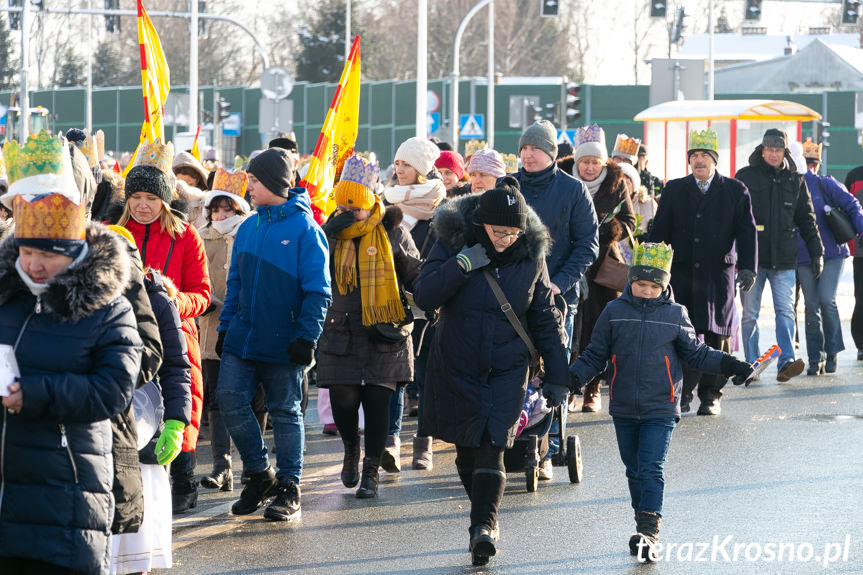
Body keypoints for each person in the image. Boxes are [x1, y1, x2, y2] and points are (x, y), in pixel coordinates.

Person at [0, 131, 142, 574]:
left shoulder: (109, 307)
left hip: (67, 490)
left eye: (47, 254)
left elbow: (115, 388)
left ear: (74, 252)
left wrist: (34, 393)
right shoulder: (7, 294)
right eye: (25, 252)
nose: (34, 264)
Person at [413, 177, 570, 567]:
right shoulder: (451, 241)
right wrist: (460, 266)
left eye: (514, 232)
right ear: (481, 224)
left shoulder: (531, 257)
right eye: (499, 231)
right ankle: (482, 519)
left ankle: (483, 526)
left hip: (507, 366)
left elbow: (546, 316)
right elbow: (425, 294)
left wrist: (558, 374)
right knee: (467, 451)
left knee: (493, 444)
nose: (506, 238)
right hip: (457, 361)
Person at [568, 242, 753, 563]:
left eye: (655, 286)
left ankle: (649, 531)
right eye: (641, 285)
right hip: (624, 405)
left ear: (664, 285)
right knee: (634, 470)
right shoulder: (614, 312)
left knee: (651, 467)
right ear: (631, 281)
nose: (648, 291)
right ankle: (642, 520)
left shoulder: (675, 314)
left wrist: (730, 364)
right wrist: (569, 380)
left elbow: (697, 353)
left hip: (661, 406)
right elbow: (595, 355)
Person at [216, 147, 331, 521]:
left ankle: (289, 485)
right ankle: (260, 473)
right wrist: (225, 326)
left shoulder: (305, 229)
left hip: (286, 339)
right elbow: (234, 283)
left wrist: (307, 336)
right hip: (242, 336)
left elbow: (318, 290)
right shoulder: (248, 226)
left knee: (285, 411)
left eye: (254, 180)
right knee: (230, 398)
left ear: (275, 183)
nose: (248, 186)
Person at [317, 155, 422, 498]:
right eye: (344, 206)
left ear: (371, 200)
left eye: (357, 206)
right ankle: (351, 448)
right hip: (340, 330)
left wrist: (437, 296)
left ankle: (371, 471)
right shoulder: (329, 234)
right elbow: (311, 273)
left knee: (378, 403)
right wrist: (324, 237)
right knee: (343, 400)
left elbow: (416, 273)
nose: (351, 213)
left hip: (384, 331)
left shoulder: (392, 230)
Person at [120, 139, 212, 513]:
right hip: (125, 336)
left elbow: (203, 293)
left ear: (164, 199)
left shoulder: (185, 236)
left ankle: (185, 477)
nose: (143, 205)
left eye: (152, 198)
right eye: (137, 196)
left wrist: (175, 301)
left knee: (179, 409)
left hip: (176, 336)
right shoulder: (114, 233)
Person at [512, 120, 599, 480]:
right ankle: (509, 438)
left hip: (557, 297)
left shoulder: (574, 191)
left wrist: (559, 283)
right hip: (511, 296)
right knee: (512, 367)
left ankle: (547, 447)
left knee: (552, 368)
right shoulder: (509, 187)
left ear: (550, 153)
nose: (528, 154)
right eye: (524, 149)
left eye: (536, 149)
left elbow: (587, 245)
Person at [649, 129, 757, 415]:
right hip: (681, 275)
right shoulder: (674, 188)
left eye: (704, 156)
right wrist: (651, 267)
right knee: (682, 333)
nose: (699, 161)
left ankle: (711, 395)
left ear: (714, 160)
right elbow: (660, 232)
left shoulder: (735, 190)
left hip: (717, 276)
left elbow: (747, 232)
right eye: (694, 155)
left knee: (717, 335)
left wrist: (748, 267)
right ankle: (682, 393)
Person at [110, 266, 192, 575]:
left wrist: (176, 420)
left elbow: (175, 365)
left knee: (139, 542)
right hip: (98, 422)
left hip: (143, 426)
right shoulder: (81, 293)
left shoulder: (156, 301)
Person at [734, 129, 823, 382]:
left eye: (778, 149)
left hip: (784, 259)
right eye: (769, 149)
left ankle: (786, 362)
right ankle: (751, 364)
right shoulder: (745, 177)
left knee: (786, 311)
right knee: (750, 314)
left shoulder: (795, 180)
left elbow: (807, 220)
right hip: (752, 261)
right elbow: (734, 217)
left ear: (785, 152)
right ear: (761, 151)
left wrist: (817, 253)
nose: (774, 154)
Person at [381, 136, 446, 472]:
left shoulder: (439, 212)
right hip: (392, 306)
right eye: (397, 162)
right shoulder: (386, 205)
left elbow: (440, 256)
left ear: (421, 170)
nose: (399, 169)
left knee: (427, 377)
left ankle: (424, 443)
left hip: (429, 308)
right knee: (395, 376)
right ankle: (391, 442)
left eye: (406, 164)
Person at [572, 124, 636, 414]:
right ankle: (569, 384)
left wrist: (609, 229)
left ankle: (593, 388)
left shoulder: (616, 181)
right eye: (584, 161)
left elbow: (629, 222)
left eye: (594, 162)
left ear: (602, 163)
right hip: (570, 263)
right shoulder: (563, 178)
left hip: (601, 268)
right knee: (570, 327)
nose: (588, 167)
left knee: (598, 328)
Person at [197, 169, 252, 490]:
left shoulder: (251, 232)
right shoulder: (201, 236)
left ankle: (251, 465)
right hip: (211, 327)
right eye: (215, 209)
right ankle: (222, 464)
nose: (220, 214)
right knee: (216, 398)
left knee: (247, 397)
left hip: (246, 326)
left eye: (227, 209)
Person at [798, 139, 863, 374]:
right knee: (811, 305)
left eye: (813, 162)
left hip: (833, 253)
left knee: (826, 300)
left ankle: (832, 350)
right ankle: (816, 357)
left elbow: (852, 204)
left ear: (818, 164)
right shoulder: (790, 186)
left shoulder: (826, 184)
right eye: (806, 161)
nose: (809, 166)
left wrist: (861, 229)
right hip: (803, 255)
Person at [844, 163, 863, 360]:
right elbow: (844, 207)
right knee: (861, 297)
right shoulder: (854, 175)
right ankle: (861, 344)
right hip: (861, 249)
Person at [172, 150, 210, 229]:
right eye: (179, 185)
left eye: (190, 184)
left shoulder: (205, 204)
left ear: (198, 180)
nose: (184, 189)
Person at [618, 161, 656, 237]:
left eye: (627, 184)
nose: (623, 189)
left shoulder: (649, 203)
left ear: (634, 184)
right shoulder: (608, 204)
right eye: (619, 184)